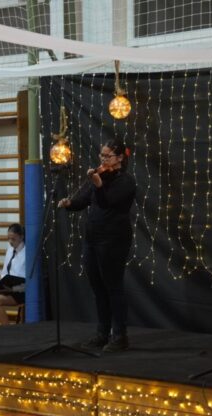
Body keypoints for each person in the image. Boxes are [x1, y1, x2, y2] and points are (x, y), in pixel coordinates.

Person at [58, 139, 136, 352]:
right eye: (102, 155)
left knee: (113, 287)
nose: (103, 159)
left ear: (119, 158)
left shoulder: (126, 181)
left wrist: (99, 185)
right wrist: (70, 203)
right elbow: (84, 200)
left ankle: (120, 336)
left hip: (114, 239)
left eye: (107, 156)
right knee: (98, 287)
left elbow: (106, 201)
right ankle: (102, 333)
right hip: (92, 239)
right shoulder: (99, 176)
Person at [0, 223, 26, 326]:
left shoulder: (26, 252)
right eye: (8, 239)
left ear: (21, 237)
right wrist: (0, 283)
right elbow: (4, 271)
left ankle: (8, 331)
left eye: (13, 239)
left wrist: (14, 287)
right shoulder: (10, 249)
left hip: (20, 290)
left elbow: (26, 279)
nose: (10, 242)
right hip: (8, 288)